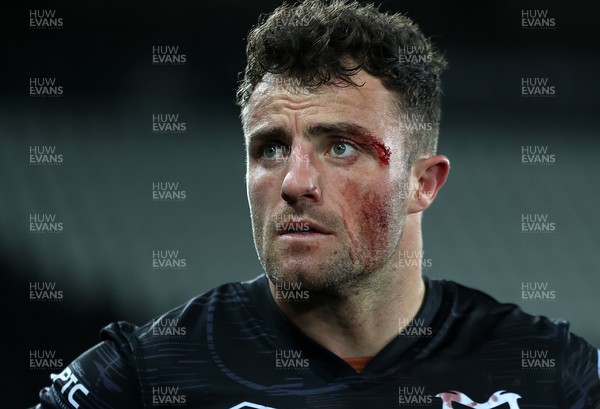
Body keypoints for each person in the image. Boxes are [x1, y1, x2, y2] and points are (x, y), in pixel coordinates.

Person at [30, 1, 599, 408]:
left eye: (342, 147)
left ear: (423, 184)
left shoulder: (552, 372)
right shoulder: (144, 374)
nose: (295, 182)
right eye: (271, 148)